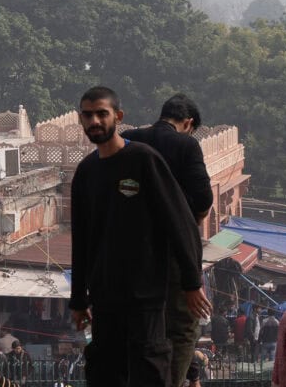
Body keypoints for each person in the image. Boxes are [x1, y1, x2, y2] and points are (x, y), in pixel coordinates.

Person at [69, 86, 211, 387]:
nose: (95, 121)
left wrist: (191, 281)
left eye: (102, 114)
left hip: (145, 292)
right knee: (106, 369)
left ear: (118, 117)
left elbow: (181, 220)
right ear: (80, 120)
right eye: (88, 115)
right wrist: (78, 299)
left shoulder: (143, 159)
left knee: (148, 367)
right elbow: (81, 239)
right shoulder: (86, 172)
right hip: (105, 295)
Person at [123, 93, 214, 387]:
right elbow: (203, 198)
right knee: (183, 324)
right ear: (187, 123)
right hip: (176, 252)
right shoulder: (187, 144)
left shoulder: (128, 140)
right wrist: (191, 217)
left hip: (132, 251)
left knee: (140, 320)